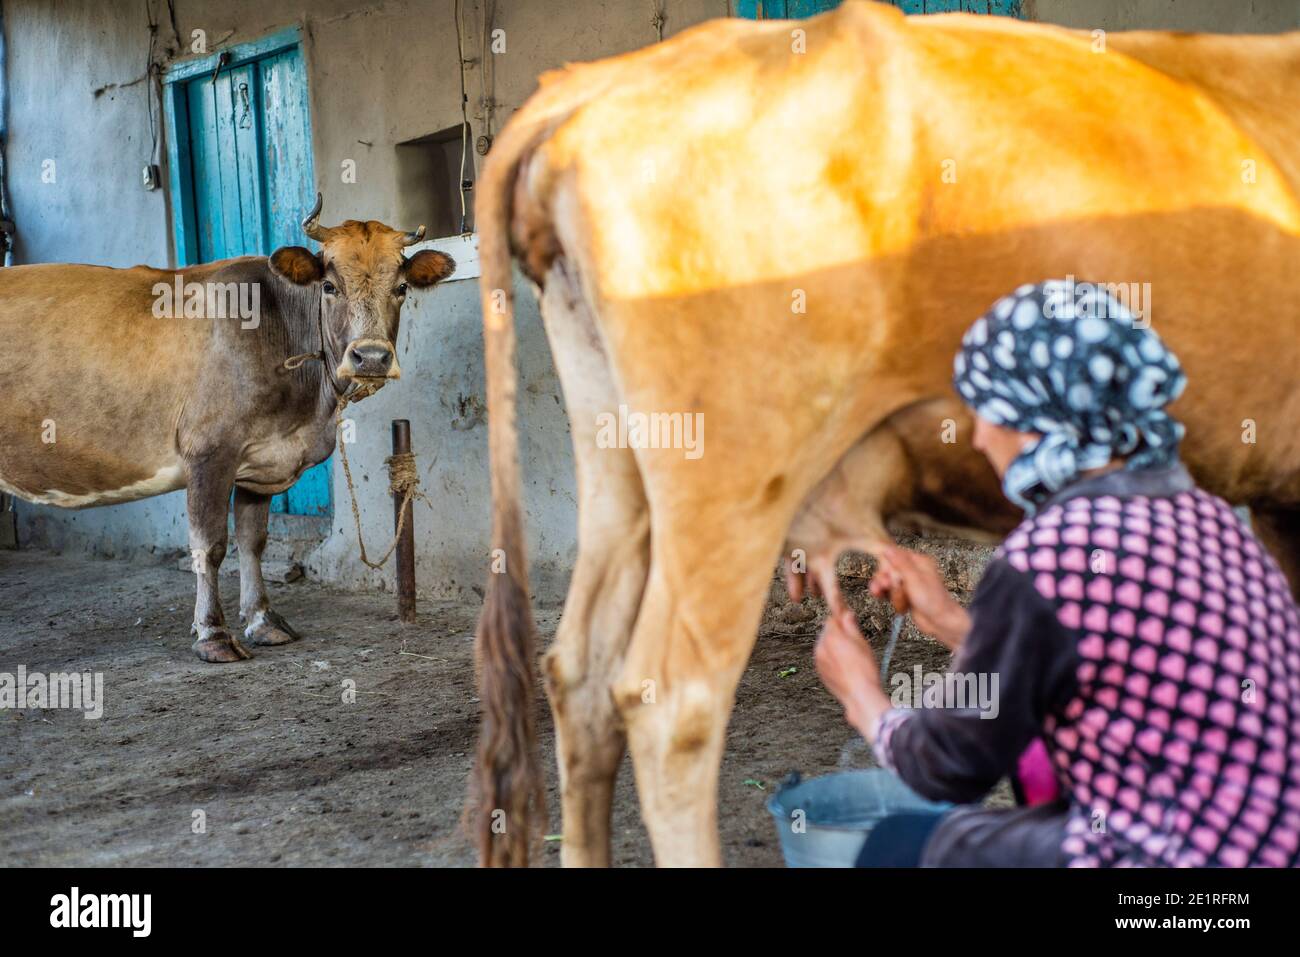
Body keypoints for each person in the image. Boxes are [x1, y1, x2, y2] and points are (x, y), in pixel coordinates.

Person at [813, 280, 1300, 867]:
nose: (977, 437)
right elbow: (1114, 671)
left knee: (893, 850)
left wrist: (861, 694)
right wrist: (951, 623)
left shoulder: (1052, 552)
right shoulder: (1211, 519)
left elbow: (952, 767)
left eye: (986, 410)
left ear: (1030, 417)